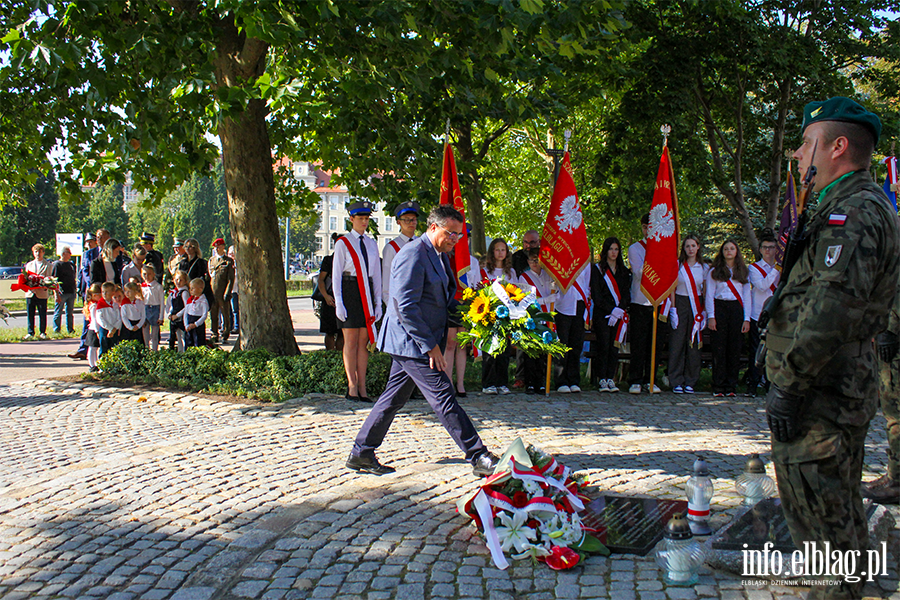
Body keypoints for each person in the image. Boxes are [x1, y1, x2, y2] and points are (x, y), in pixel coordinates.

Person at [764, 97, 900, 600]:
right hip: (827, 387)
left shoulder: (856, 211)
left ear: (837, 147)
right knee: (838, 522)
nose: (799, 155)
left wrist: (789, 382)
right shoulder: (845, 204)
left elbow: (832, 306)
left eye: (807, 143)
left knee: (822, 529)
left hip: (821, 392)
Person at [347, 205, 499, 477]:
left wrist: (480, 311)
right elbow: (405, 306)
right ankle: (478, 455)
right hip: (413, 342)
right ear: (432, 227)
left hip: (418, 339)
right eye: (450, 233)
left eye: (458, 235)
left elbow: (442, 300)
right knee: (444, 396)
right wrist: (431, 346)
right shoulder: (413, 254)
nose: (454, 238)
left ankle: (362, 452)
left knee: (392, 399)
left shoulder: (439, 254)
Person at [333, 201, 382, 402]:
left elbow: (376, 275)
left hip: (367, 292)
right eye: (360, 218)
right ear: (351, 219)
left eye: (366, 218)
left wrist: (378, 302)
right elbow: (336, 275)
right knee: (350, 342)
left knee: (364, 343)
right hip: (350, 290)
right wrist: (339, 301)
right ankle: (351, 385)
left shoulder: (371, 244)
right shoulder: (343, 243)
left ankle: (363, 387)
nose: (364, 221)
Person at [705, 240, 751, 397]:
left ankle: (731, 386)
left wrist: (747, 319)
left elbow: (746, 297)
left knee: (734, 349)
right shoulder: (714, 271)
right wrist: (711, 316)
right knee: (719, 348)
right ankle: (718, 386)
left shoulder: (743, 271)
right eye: (726, 249)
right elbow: (709, 295)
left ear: (737, 251)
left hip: (736, 309)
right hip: (720, 308)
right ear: (722, 251)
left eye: (732, 248)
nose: (729, 251)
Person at [667, 235, 710, 395]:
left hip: (696, 306)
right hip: (679, 303)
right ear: (683, 249)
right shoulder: (677, 266)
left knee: (693, 343)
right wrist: (673, 309)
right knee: (677, 343)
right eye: (687, 246)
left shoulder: (704, 268)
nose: (690, 249)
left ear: (698, 247)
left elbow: (705, 290)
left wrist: (705, 311)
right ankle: (676, 380)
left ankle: (691, 380)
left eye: (693, 245)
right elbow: (672, 288)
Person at [590, 237, 631, 393]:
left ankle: (610, 378)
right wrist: (611, 310)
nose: (613, 252)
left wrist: (620, 309)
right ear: (605, 251)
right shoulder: (598, 270)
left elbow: (627, 293)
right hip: (603, 315)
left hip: (619, 315)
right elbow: (596, 295)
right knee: (603, 345)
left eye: (616, 249)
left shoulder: (623, 271)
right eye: (611, 249)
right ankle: (601, 378)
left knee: (615, 347)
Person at [627, 214, 660, 394]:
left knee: (654, 342)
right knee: (639, 342)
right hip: (640, 300)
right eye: (646, 227)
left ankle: (651, 378)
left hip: (658, 300)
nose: (648, 230)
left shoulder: (663, 247)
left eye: (651, 227)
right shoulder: (635, 248)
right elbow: (640, 273)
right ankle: (636, 379)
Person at [746, 230, 780, 397]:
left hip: (776, 315)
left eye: (772, 248)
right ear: (760, 249)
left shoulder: (781, 268)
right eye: (765, 248)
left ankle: (770, 384)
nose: (768, 251)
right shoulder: (754, 268)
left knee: (774, 350)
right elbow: (762, 286)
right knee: (756, 351)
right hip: (758, 315)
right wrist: (775, 270)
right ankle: (752, 384)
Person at [518, 248, 556, 394]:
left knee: (543, 353)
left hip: (546, 318)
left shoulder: (548, 276)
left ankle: (541, 382)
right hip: (532, 319)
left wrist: (554, 293)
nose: (534, 263)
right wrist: (546, 300)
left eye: (537, 260)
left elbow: (555, 295)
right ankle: (530, 383)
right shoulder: (524, 277)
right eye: (532, 260)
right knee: (531, 352)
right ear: (528, 261)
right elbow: (526, 300)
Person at [479, 238, 514, 395]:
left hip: (506, 315)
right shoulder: (486, 271)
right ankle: (488, 383)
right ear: (492, 252)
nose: (500, 253)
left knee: (504, 351)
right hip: (490, 314)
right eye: (497, 250)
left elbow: (517, 292)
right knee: (490, 350)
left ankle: (502, 382)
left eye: (503, 250)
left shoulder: (511, 272)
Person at [554, 260, 590, 394]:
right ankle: (560, 380)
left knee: (576, 344)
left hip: (580, 302)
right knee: (562, 343)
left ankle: (574, 379)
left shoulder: (584, 260)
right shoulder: (561, 256)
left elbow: (586, 282)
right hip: (562, 303)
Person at [510, 229, 541, 389]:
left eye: (532, 242)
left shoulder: (544, 257)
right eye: (526, 243)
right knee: (522, 344)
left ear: (539, 242)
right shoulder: (516, 258)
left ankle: (540, 379)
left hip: (542, 305)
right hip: (521, 304)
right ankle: (521, 377)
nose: (528, 246)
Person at [381, 201, 419, 308]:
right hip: (401, 300)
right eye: (407, 220)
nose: (411, 223)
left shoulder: (422, 244)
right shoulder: (391, 247)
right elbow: (387, 280)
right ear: (399, 222)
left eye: (413, 220)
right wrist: (390, 306)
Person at [70, 232, 100, 359]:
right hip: (89, 291)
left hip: (98, 290)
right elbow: (84, 272)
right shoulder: (86, 255)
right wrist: (87, 287)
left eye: (91, 242)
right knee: (87, 320)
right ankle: (83, 348)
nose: (88, 244)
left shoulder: (98, 253)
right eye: (87, 242)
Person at [317, 234, 343, 351]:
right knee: (330, 331)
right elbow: (321, 280)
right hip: (330, 299)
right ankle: (330, 354)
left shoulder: (348, 260)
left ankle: (338, 356)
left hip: (344, 299)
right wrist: (326, 296)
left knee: (342, 332)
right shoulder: (329, 260)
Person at [23, 243, 53, 340]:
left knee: (42, 313)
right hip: (31, 293)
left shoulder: (48, 265)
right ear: (33, 253)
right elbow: (25, 278)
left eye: (40, 252)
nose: (38, 254)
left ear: (43, 253)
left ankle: (42, 332)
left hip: (41, 292)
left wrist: (45, 284)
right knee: (30, 313)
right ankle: (30, 332)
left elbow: (49, 278)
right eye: (36, 252)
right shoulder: (29, 265)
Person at [208, 238, 235, 344]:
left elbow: (230, 279)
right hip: (213, 293)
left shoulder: (228, 261)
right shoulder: (212, 260)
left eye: (218, 247)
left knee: (225, 314)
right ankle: (214, 333)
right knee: (213, 315)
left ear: (223, 247)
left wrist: (228, 292)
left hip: (223, 292)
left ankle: (225, 332)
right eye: (215, 247)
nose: (216, 249)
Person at [52, 246, 78, 334]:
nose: (70, 255)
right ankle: (56, 330)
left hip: (71, 291)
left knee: (70, 312)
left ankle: (70, 329)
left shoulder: (71, 264)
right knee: (58, 311)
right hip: (61, 292)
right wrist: (56, 293)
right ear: (63, 254)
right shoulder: (57, 264)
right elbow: (54, 280)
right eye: (68, 253)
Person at [141, 265, 164, 351]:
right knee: (145, 333)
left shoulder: (158, 287)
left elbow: (162, 302)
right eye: (144, 274)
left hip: (155, 309)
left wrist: (161, 317)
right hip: (145, 309)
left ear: (154, 274)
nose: (147, 276)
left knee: (154, 334)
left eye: (149, 274)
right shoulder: (141, 287)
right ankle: (147, 349)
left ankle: (155, 351)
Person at [94, 281, 122, 355]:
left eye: (107, 292)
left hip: (114, 329)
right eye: (103, 292)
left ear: (113, 293)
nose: (104, 294)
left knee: (114, 349)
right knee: (104, 349)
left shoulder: (115, 304)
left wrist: (115, 328)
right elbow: (100, 319)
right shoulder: (100, 304)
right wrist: (110, 328)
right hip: (105, 329)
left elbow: (119, 318)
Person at [166, 270, 190, 353]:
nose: (178, 282)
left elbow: (187, 306)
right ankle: (179, 352)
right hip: (174, 318)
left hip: (182, 318)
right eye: (176, 279)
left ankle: (184, 352)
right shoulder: (173, 293)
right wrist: (169, 314)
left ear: (185, 281)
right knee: (176, 337)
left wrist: (178, 315)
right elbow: (170, 305)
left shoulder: (184, 292)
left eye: (181, 280)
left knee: (184, 337)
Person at [184, 277, 210, 348]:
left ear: (200, 289)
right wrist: (186, 325)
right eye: (190, 288)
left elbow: (204, 315)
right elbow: (186, 313)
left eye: (193, 288)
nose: (190, 290)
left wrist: (196, 324)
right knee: (188, 341)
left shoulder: (203, 301)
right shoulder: (190, 300)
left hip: (198, 323)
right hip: (189, 321)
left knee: (198, 342)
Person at [83, 283, 102, 372]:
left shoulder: (95, 304)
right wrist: (97, 330)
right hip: (94, 329)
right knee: (92, 348)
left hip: (95, 328)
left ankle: (94, 363)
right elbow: (94, 319)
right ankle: (92, 364)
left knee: (94, 348)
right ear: (94, 295)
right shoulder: (94, 306)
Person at [227, 244, 240, 335]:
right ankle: (229, 326)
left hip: (235, 290)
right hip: (228, 290)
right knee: (229, 310)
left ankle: (237, 326)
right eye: (230, 253)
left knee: (235, 309)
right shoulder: (227, 263)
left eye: (233, 253)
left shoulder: (238, 264)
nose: (231, 255)